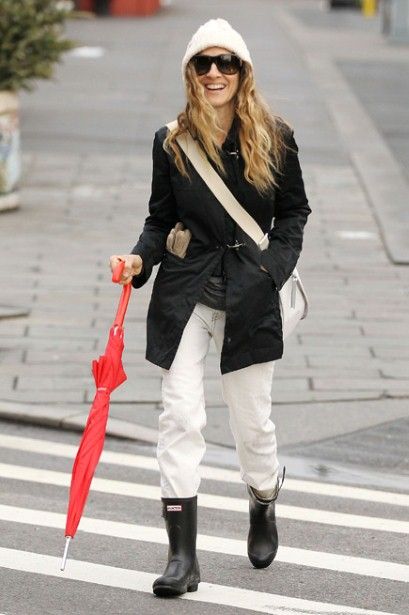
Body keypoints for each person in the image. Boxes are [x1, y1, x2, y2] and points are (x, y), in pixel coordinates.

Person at [109, 18, 311, 598]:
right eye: (204, 63)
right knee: (180, 417)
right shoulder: (171, 141)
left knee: (253, 425)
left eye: (226, 63)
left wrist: (273, 269)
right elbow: (159, 219)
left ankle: (263, 498)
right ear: (190, 74)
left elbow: (295, 213)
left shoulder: (275, 134)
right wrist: (137, 260)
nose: (215, 73)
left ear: (243, 72)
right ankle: (182, 558)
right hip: (188, 291)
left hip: (251, 295)